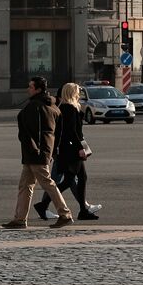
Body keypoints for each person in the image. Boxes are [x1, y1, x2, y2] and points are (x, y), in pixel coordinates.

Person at [3, 75, 72, 229]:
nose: (28, 89)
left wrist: (36, 149)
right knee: (25, 185)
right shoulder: (53, 107)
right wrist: (53, 150)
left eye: (31, 87)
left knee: (47, 183)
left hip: (35, 152)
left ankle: (65, 214)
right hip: (41, 150)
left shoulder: (35, 106)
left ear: (38, 89)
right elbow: (58, 132)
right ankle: (20, 219)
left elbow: (32, 131)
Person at [36, 83, 101, 222]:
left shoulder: (66, 107)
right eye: (78, 92)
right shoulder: (69, 108)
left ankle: (82, 209)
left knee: (80, 178)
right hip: (71, 150)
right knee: (69, 180)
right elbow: (72, 132)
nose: (79, 94)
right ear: (72, 93)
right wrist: (80, 148)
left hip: (69, 148)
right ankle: (44, 204)